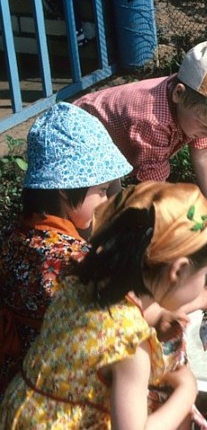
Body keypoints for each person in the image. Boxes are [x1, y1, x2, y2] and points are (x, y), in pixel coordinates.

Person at [0, 181, 207, 428]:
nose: (205, 284)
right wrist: (187, 390)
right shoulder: (131, 349)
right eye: (206, 275)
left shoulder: (84, 283)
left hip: (21, 414)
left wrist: (170, 310)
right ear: (178, 270)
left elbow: (132, 309)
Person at [0, 102, 132, 397]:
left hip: (13, 378)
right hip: (55, 388)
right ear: (65, 188)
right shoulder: (74, 260)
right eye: (101, 190)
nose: (107, 200)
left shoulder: (16, 235)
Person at [75, 40, 207, 226]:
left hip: (110, 152)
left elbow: (203, 151)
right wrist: (181, 219)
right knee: (90, 211)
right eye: (204, 126)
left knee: (113, 211)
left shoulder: (190, 103)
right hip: (79, 143)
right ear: (178, 94)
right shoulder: (152, 119)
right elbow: (154, 184)